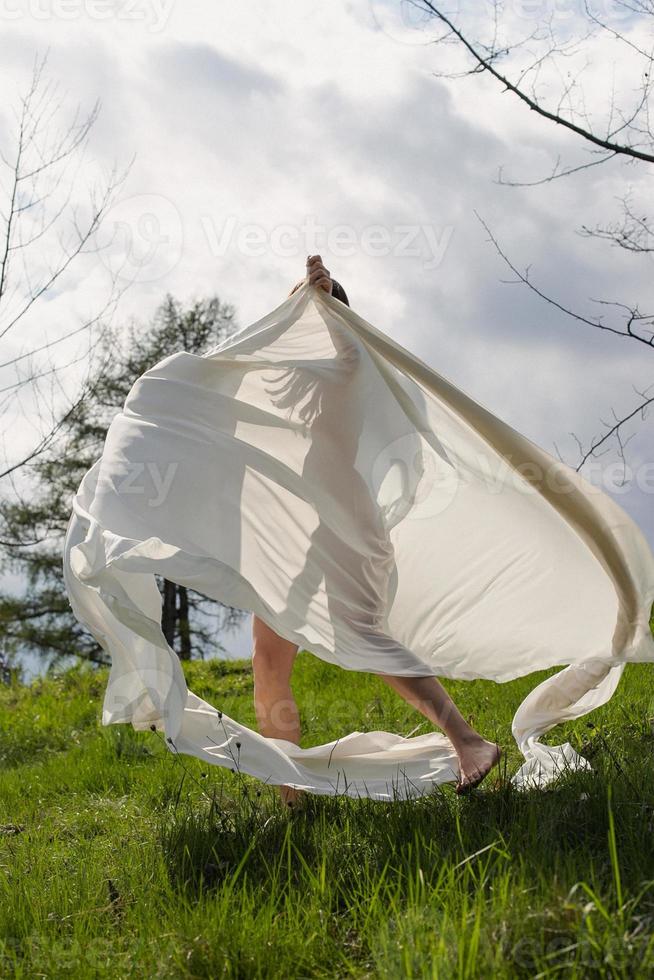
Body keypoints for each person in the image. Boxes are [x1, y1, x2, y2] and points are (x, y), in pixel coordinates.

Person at [251, 255, 501, 805]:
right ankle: (291, 797)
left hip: (345, 526)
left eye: (316, 308)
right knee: (268, 663)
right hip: (299, 535)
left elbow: (346, 356)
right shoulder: (292, 386)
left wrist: (321, 293)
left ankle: (469, 743)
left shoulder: (352, 367)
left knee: (364, 639)